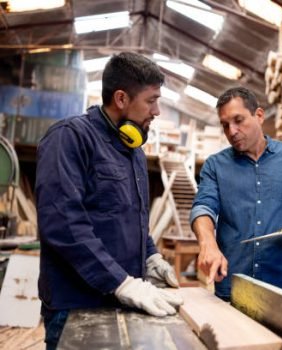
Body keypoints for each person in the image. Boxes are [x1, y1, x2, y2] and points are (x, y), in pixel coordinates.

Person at [36, 52, 183, 350]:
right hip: (76, 306)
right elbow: (63, 225)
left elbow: (130, 216)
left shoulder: (134, 152)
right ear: (121, 98)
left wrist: (150, 256)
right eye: (151, 100)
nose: (157, 111)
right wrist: (123, 282)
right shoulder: (70, 139)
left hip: (121, 302)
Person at [190, 87, 282, 301]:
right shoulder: (215, 166)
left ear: (259, 115)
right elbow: (203, 207)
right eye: (225, 125)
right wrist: (208, 244)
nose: (232, 131)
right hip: (234, 288)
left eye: (238, 120)